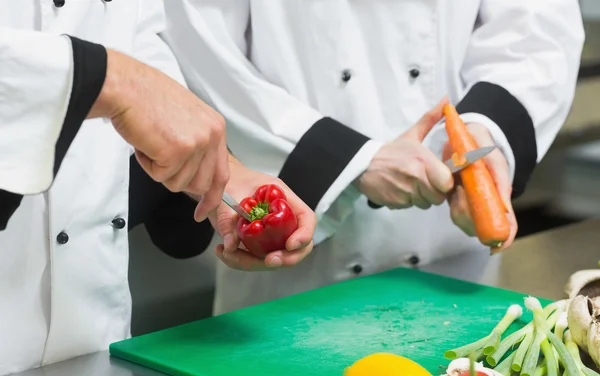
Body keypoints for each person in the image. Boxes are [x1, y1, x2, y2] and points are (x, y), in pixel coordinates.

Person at [161, 0, 585, 315]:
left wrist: (485, 132)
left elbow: (537, 30)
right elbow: (197, 47)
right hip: (292, 281)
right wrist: (349, 161)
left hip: (452, 258)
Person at [0, 0, 315, 376]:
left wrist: (223, 171)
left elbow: (135, 34)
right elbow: (121, 73)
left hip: (95, 334)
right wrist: (106, 78)